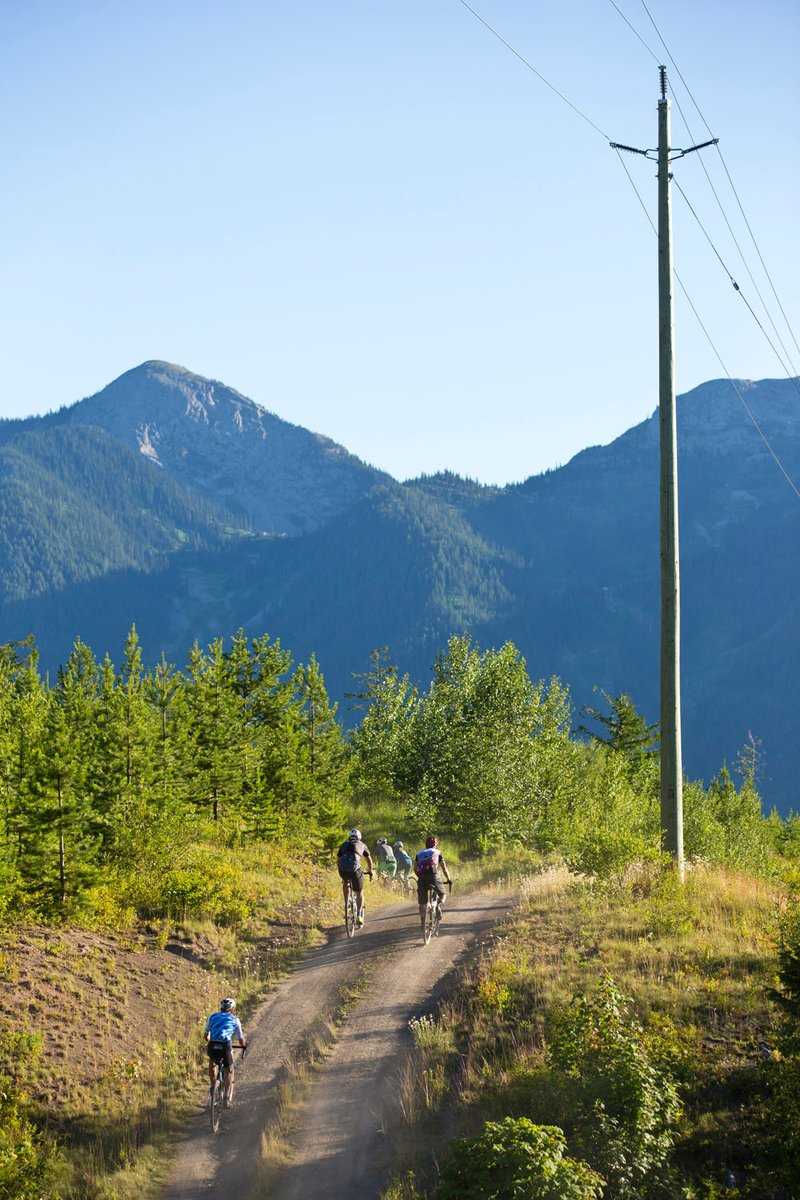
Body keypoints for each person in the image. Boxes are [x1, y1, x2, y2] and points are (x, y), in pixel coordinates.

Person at [205, 997, 246, 1107]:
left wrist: (210, 1040)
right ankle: (226, 1099)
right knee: (229, 1070)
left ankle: (213, 1086)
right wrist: (244, 1046)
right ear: (232, 1009)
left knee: (212, 1061)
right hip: (225, 1046)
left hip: (213, 1044)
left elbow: (206, 1035)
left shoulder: (212, 1017)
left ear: (221, 1008)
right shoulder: (235, 1019)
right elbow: (241, 1040)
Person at [337, 828, 373, 926]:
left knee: (346, 882)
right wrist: (370, 871)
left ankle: (346, 905)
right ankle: (359, 915)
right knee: (359, 891)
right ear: (359, 837)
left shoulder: (343, 844)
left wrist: (342, 871)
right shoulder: (362, 844)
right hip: (355, 869)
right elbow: (369, 860)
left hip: (343, 869)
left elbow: (338, 861)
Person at [414, 835, 452, 928]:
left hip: (422, 878)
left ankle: (422, 922)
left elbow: (415, 868)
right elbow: (444, 868)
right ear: (436, 844)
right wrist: (448, 879)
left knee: (422, 903)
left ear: (426, 844)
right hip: (433, 876)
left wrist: (421, 877)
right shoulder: (437, 852)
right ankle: (438, 905)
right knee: (443, 894)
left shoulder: (419, 853)